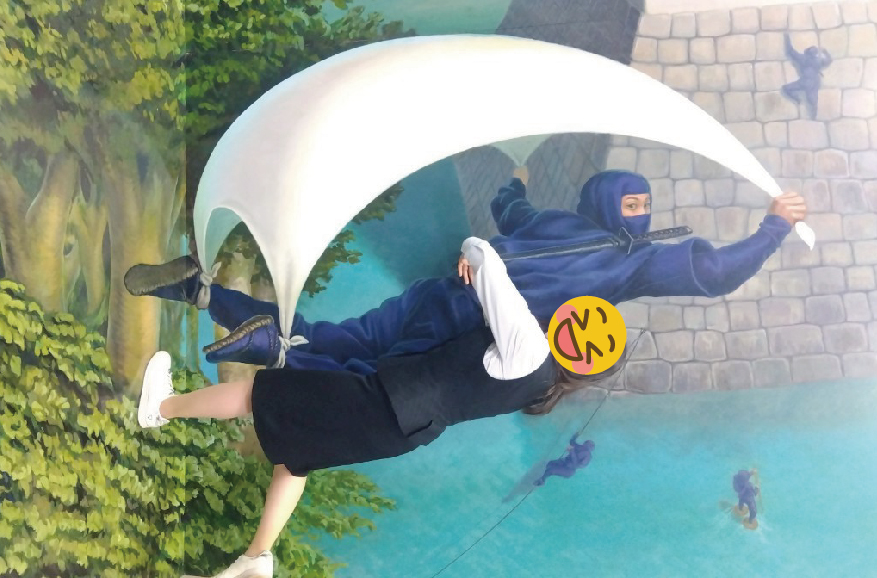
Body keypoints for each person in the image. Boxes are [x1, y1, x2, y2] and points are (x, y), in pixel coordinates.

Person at [139, 236, 614, 578]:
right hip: (408, 430)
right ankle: (256, 559)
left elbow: (486, 258)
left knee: (259, 394)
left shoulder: (530, 346)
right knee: (298, 459)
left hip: (387, 396)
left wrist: (470, 252)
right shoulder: (540, 387)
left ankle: (162, 406)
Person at [125, 170, 808, 372]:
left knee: (343, 339)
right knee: (360, 369)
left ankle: (203, 293)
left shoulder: (566, 224)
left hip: (441, 294)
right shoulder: (634, 261)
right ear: (606, 203)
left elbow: (509, 207)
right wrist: (774, 225)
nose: (640, 215)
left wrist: (514, 177)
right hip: (461, 324)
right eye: (630, 204)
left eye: (643, 207)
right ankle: (269, 349)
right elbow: (717, 274)